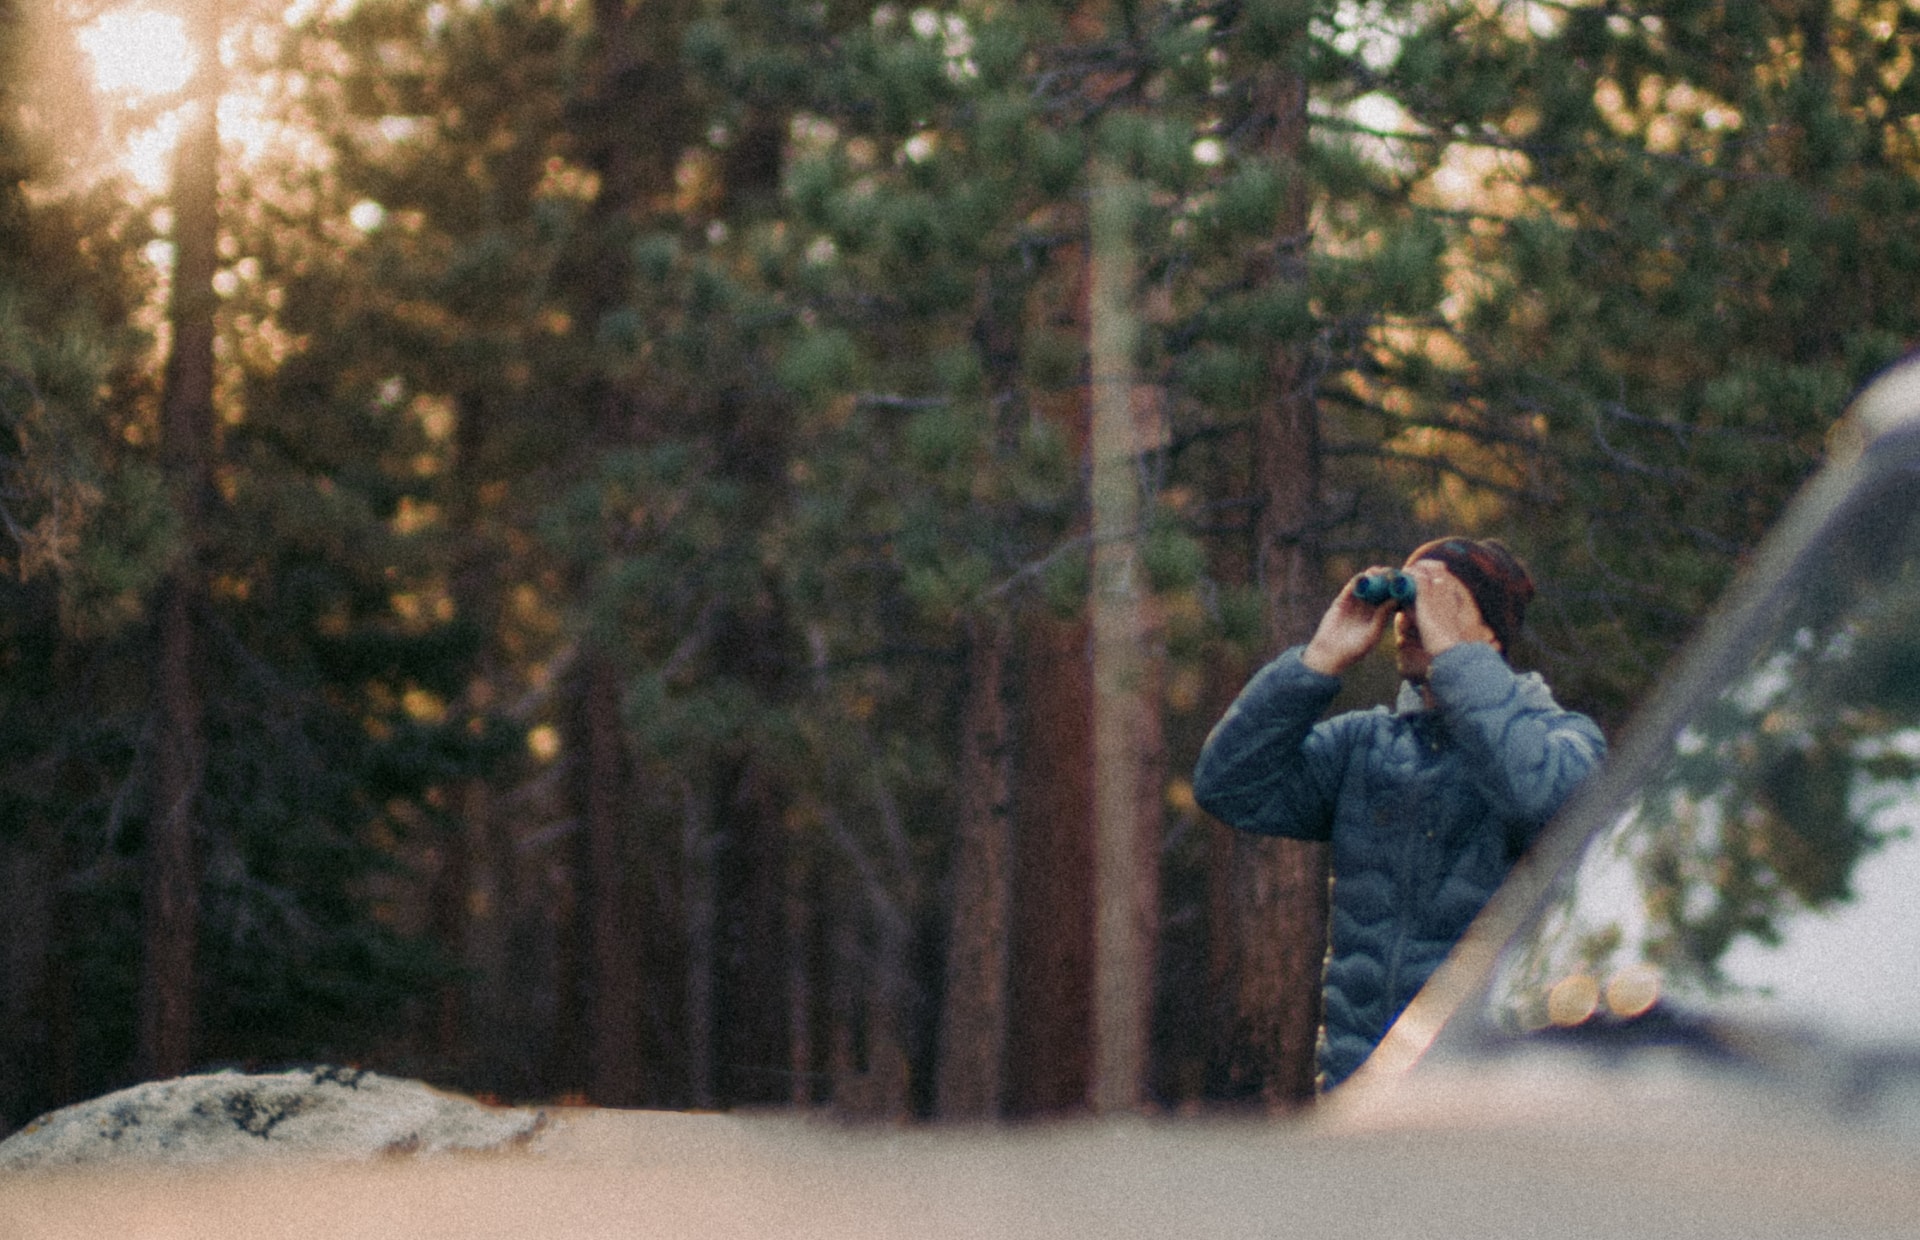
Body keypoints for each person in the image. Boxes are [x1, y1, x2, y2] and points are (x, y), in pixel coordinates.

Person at [1192, 537, 1605, 1089]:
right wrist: (1318, 660)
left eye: (1440, 600)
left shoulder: (1563, 741)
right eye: (1408, 597)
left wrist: (1458, 662)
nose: (1413, 617)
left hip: (1484, 1094)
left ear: (1490, 633)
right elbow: (1228, 786)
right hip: (1361, 1087)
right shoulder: (1363, 745)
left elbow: (1541, 800)